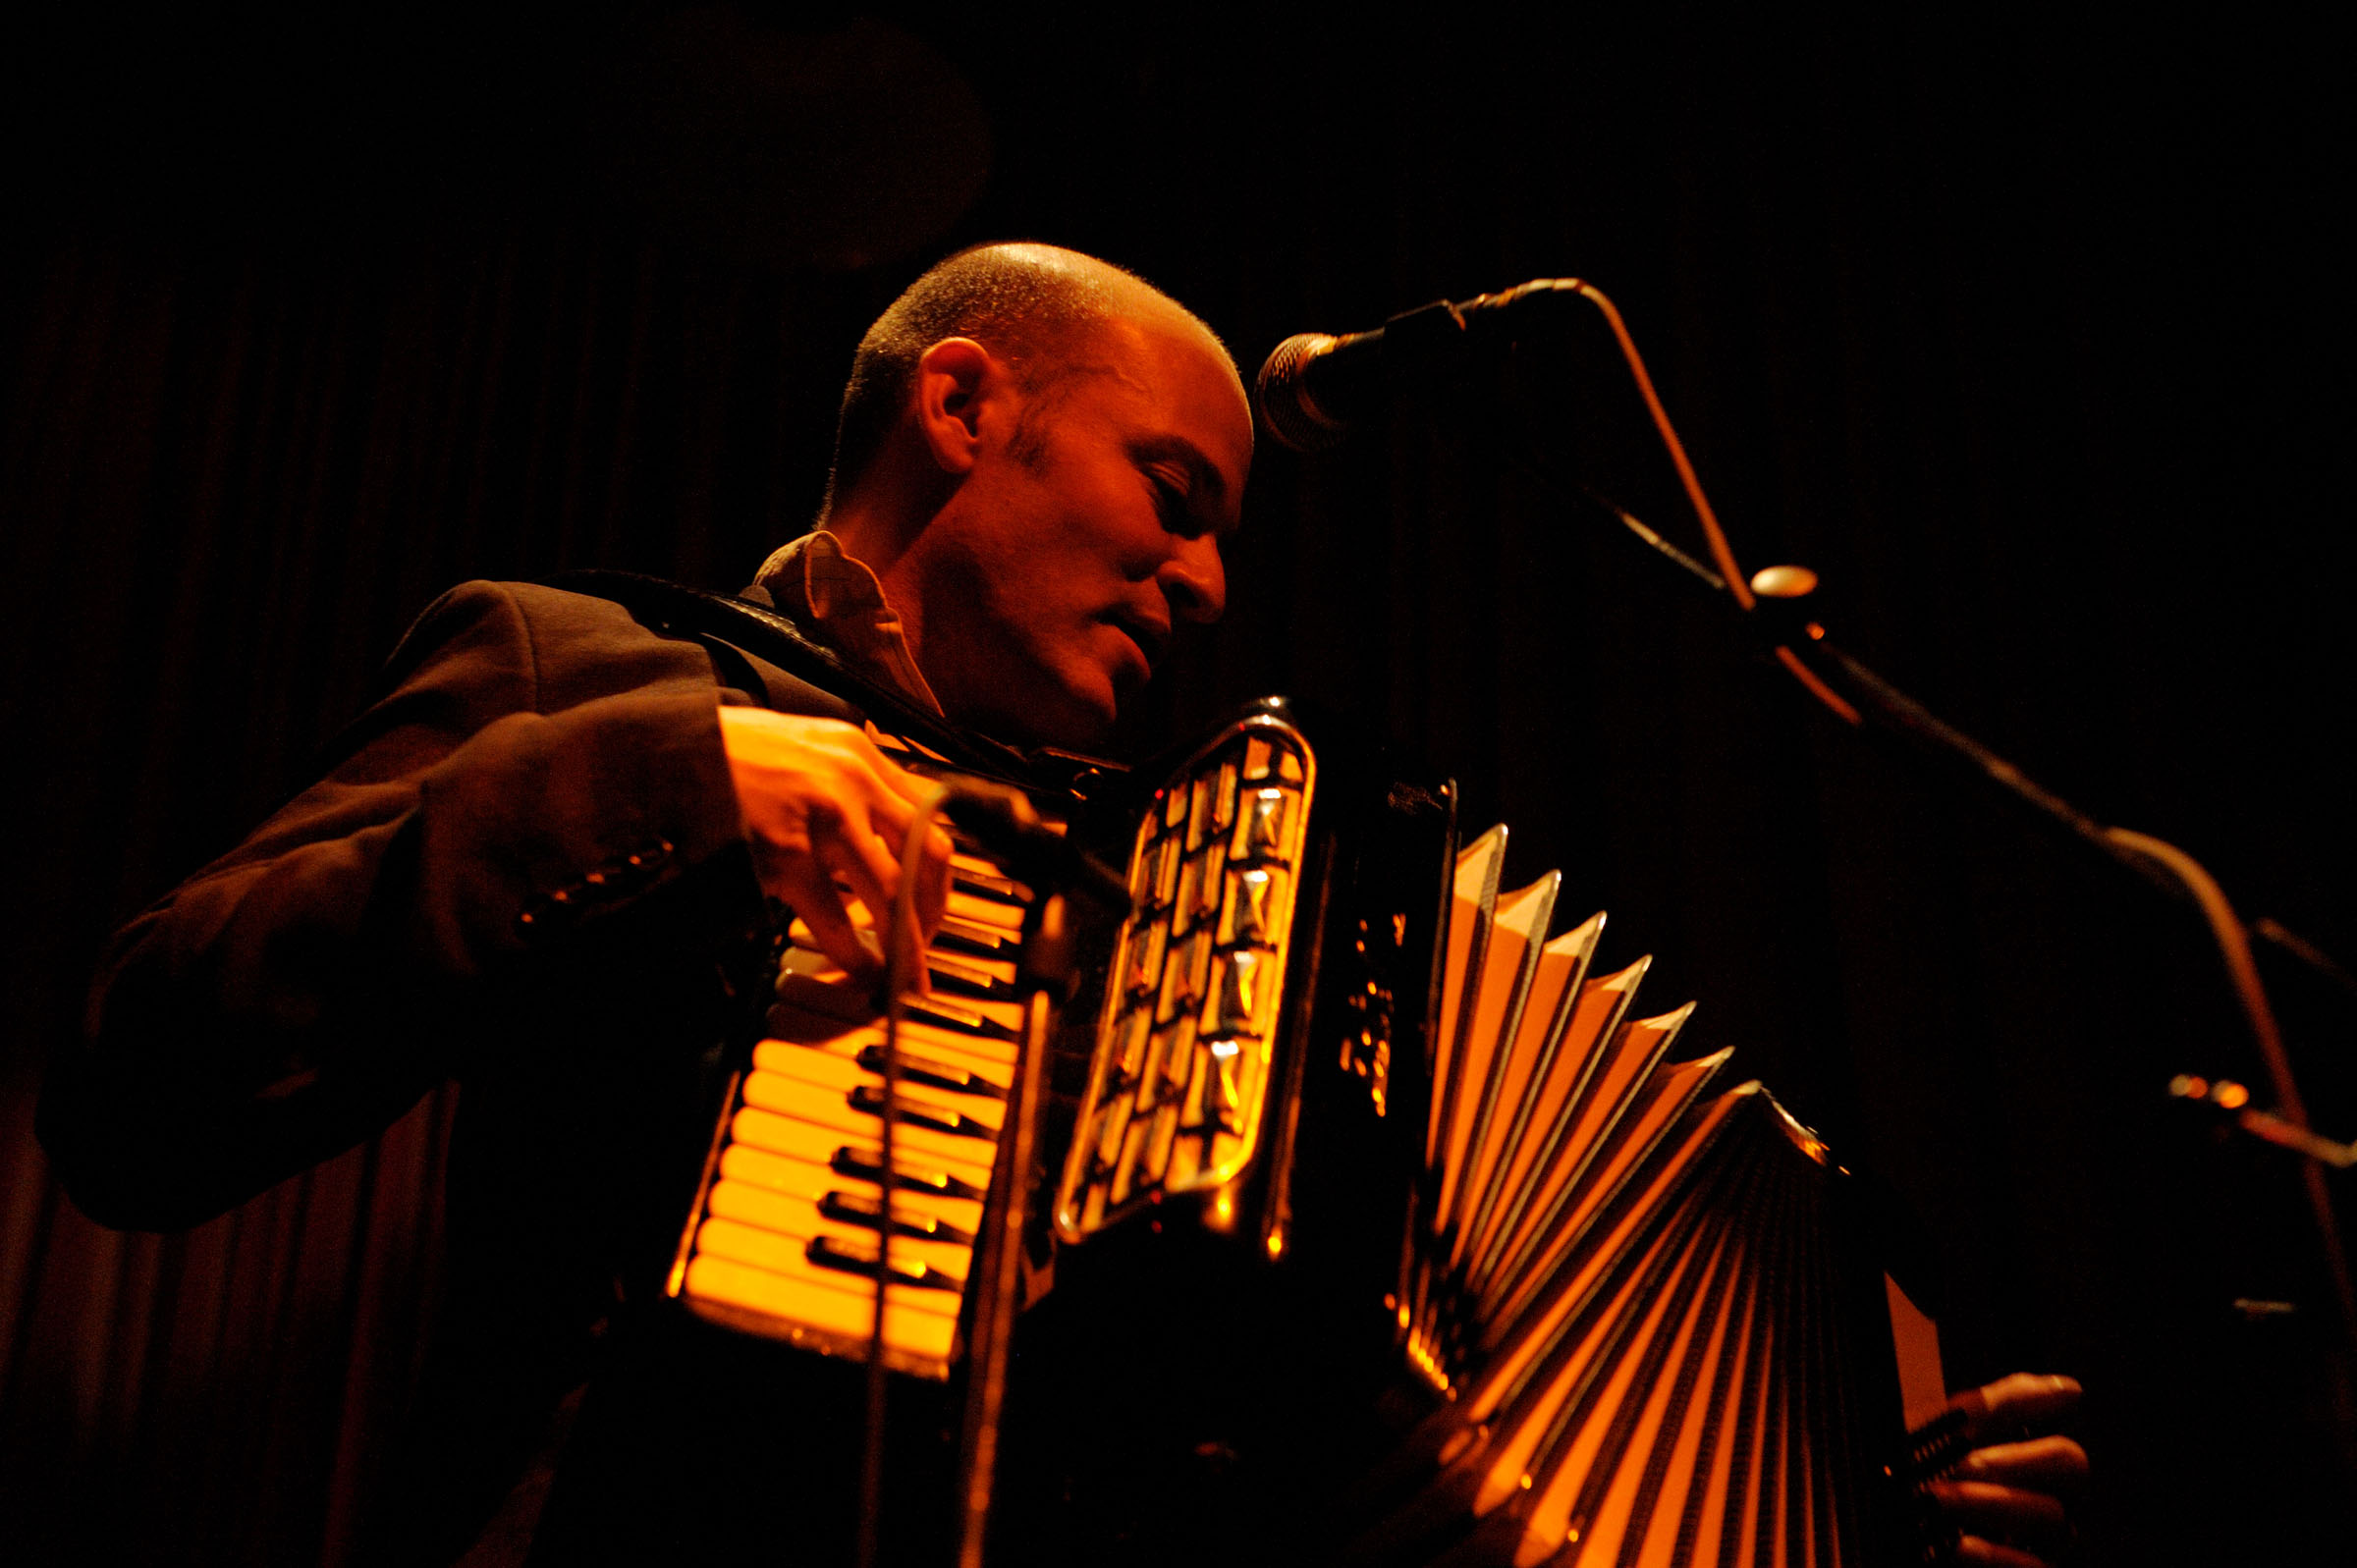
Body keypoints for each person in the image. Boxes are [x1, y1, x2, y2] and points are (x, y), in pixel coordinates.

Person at [40, 243, 2081, 1564]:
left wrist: (1861, 1524)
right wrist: (668, 776)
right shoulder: (593, 678)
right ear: (963, 408)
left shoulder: (1195, 909)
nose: (1203, 590)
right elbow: (137, 1086)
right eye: (1176, 498)